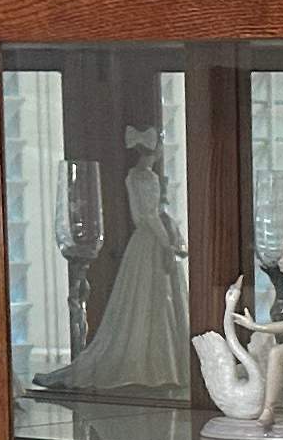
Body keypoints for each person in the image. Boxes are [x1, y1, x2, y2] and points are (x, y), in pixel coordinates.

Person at [43, 124, 188, 396]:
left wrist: (172, 238)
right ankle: (148, 365)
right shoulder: (140, 177)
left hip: (151, 241)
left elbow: (158, 212)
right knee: (144, 299)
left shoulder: (146, 177)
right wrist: (167, 243)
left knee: (156, 299)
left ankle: (160, 364)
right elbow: (147, 215)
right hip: (149, 241)